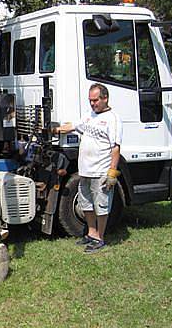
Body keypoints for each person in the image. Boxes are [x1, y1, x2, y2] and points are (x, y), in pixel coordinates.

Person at [52, 83, 123, 253]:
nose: (92, 104)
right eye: (90, 100)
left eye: (95, 100)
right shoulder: (89, 116)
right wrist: (53, 130)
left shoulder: (113, 119)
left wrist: (112, 173)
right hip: (84, 170)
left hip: (101, 171)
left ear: (105, 98)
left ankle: (100, 237)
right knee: (86, 204)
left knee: (101, 205)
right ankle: (91, 233)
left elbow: (116, 148)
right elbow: (72, 126)